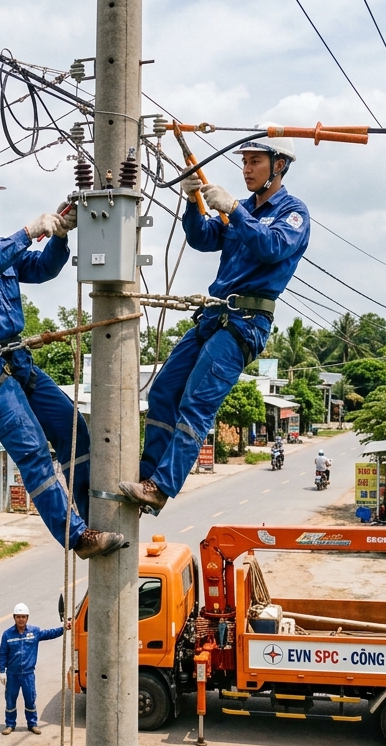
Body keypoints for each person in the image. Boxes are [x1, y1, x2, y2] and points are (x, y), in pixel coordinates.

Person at [0, 158, 125, 560]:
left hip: (17, 362)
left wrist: (59, 236)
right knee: (33, 450)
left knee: (74, 430)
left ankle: (90, 518)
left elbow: (42, 268)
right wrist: (27, 232)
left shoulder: (0, 249)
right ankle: (77, 537)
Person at [120, 124, 310, 512]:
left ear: (280, 165)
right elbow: (204, 237)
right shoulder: (245, 211)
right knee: (163, 391)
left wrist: (235, 210)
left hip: (245, 322)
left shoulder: (292, 214)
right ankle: (148, 473)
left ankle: (161, 486)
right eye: (244, 162)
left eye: (255, 161)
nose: (247, 169)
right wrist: (194, 201)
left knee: (195, 402)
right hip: (213, 315)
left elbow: (272, 246)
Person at [0, 602, 70, 735]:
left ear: (27, 618)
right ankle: (10, 724)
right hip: (12, 674)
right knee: (10, 700)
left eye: (23, 617)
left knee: (30, 699)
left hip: (28, 674)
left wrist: (63, 628)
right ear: (14, 617)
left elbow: (49, 633)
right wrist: (2, 671)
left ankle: (32, 724)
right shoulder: (7, 635)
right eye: (18, 617)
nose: (21, 619)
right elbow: (3, 653)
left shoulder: (34, 632)